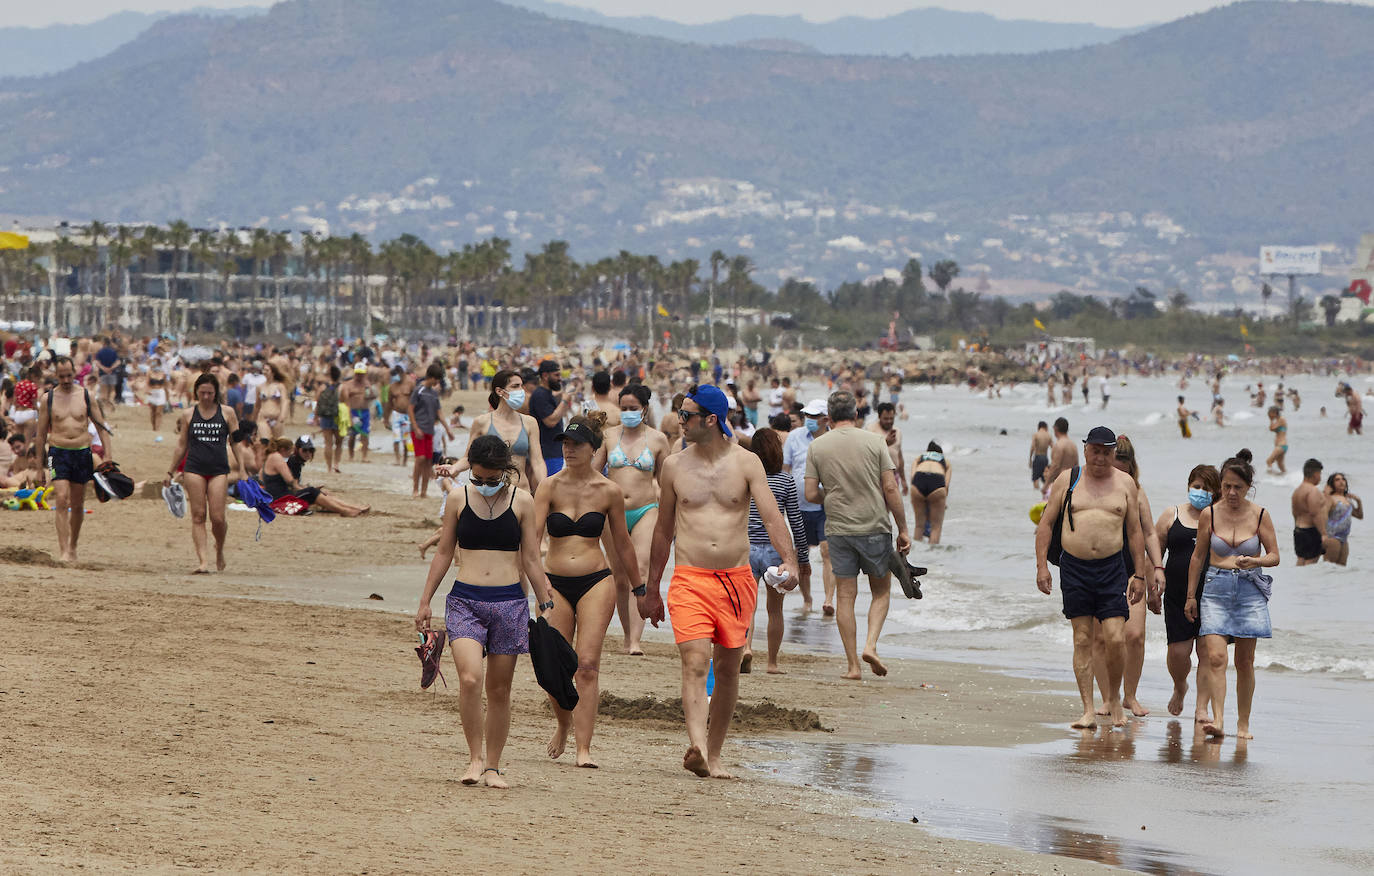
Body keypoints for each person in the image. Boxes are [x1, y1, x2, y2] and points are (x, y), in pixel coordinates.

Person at [642, 384, 800, 779]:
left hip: (735, 580)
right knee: (694, 661)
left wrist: (791, 562)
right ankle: (695, 743)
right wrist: (651, 588)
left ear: (711, 419)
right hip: (690, 577)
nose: (680, 420)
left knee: (728, 670)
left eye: (687, 415)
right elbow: (663, 532)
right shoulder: (675, 466)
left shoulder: (747, 464)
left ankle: (713, 754)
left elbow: (771, 517)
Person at [414, 434, 556, 788]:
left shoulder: (523, 502)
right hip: (465, 600)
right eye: (477, 478)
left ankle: (493, 766)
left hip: (509, 602)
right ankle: (474, 759)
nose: (484, 485)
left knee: (499, 689)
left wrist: (545, 599)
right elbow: (445, 552)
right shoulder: (457, 497)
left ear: (506, 472)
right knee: (470, 678)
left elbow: (531, 557)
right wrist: (425, 600)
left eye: (492, 479)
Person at [533, 414, 639, 768]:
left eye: (576, 444)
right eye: (565, 443)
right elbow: (531, 543)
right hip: (554, 581)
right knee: (554, 666)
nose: (569, 449)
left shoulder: (608, 491)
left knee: (588, 666)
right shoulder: (548, 486)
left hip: (596, 580)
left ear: (594, 449)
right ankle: (564, 723)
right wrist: (535, 585)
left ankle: (583, 749)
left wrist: (640, 588)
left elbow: (622, 544)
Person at [1034, 426, 1147, 729]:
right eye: (1095, 450)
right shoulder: (1068, 480)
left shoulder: (1125, 483)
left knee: (1115, 637)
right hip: (1075, 568)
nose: (1100, 457)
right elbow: (1045, 524)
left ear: (1114, 452)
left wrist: (1139, 574)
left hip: (1112, 569)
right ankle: (1087, 709)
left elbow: (1136, 532)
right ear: (1086, 450)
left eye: (1106, 451)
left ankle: (1115, 699)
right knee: (1082, 638)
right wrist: (1042, 567)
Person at [805, 390, 911, 680]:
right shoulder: (875, 441)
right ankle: (871, 645)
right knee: (880, 592)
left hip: (838, 529)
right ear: (855, 415)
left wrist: (835, 495)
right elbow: (890, 488)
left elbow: (811, 493)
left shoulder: (817, 447)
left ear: (828, 417)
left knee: (845, 597)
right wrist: (903, 528)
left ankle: (853, 666)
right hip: (875, 525)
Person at [1185, 449, 1279, 739]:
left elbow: (1274, 556)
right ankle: (1219, 720)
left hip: (1250, 589)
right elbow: (1198, 557)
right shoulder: (1209, 514)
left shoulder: (1260, 514)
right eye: (1226, 486)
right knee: (1215, 657)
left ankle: (1243, 724)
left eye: (1238, 487)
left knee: (1244, 662)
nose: (1231, 492)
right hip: (1215, 588)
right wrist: (1191, 596)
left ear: (1248, 487)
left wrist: (1256, 561)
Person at [594, 384, 669, 656]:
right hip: (612, 513)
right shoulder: (608, 436)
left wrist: (672, 515)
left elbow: (665, 482)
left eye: (633, 408)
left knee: (641, 569)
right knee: (619, 576)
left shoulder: (658, 440)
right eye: (623, 408)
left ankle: (635, 641)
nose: (627, 413)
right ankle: (626, 635)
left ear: (644, 409)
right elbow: (592, 473)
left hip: (645, 509)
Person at [1097, 435, 1165, 719]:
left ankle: (1130, 696)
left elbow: (1149, 533)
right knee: (1101, 640)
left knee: (1135, 636)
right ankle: (1106, 698)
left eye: (1126, 470)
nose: (1121, 476)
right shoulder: (1093, 488)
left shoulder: (1137, 491)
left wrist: (1157, 569)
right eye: (1116, 469)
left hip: (1132, 571)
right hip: (1099, 570)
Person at [35, 356, 116, 563]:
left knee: (78, 503)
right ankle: (63, 550)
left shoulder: (86, 396)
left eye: (69, 375)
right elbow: (41, 434)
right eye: (61, 376)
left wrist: (108, 456)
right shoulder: (48, 399)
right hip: (57, 453)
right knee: (61, 498)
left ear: (75, 373)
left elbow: (102, 428)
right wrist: (39, 467)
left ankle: (72, 547)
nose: (66, 379)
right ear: (56, 375)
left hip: (82, 452)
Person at [1155, 464, 1220, 721]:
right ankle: (1180, 685)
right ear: (1189, 486)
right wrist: (1153, 585)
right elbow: (1156, 551)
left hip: (1212, 594)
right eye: (1197, 486)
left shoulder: (1219, 518)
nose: (1200, 492)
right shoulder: (1172, 514)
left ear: (1215, 492)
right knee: (1179, 653)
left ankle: (1202, 708)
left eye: (1206, 488)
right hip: (1176, 594)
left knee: (1206, 653)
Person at [742, 427, 809, 674]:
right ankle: (771, 662)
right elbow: (795, 521)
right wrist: (802, 557)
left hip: (747, 547)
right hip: (775, 552)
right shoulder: (785, 480)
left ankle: (746, 648)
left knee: (747, 604)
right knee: (775, 610)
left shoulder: (746, 478)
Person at [166, 373, 239, 574]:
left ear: (216, 393)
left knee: (218, 517)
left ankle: (220, 549)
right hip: (194, 468)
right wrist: (170, 470)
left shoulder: (227, 413)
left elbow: (236, 442)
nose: (206, 397)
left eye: (209, 393)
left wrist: (242, 470)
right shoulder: (189, 414)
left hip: (218, 469)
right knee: (198, 515)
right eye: (202, 393)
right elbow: (182, 445)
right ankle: (203, 562)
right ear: (196, 392)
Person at [783, 398, 829, 613]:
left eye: (813, 416)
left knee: (828, 551)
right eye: (807, 416)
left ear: (825, 419)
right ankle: (807, 599)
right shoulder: (795, 436)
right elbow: (786, 469)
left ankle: (828, 599)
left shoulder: (831, 439)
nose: (808, 420)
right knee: (802, 554)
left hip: (824, 506)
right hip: (798, 506)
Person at [261, 436, 370, 516]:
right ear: (284, 449)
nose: (291, 454)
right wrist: (304, 488)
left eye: (310, 450)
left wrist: (303, 487)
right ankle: (345, 510)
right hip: (280, 498)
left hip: (279, 495)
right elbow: (290, 481)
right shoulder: (277, 457)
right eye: (291, 451)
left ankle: (349, 508)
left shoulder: (273, 457)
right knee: (312, 491)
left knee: (313, 491)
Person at [410, 363, 452, 499]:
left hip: (430, 431)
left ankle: (424, 491)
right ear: (432, 377)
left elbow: (439, 413)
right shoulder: (418, 390)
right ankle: (415, 489)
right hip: (418, 429)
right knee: (419, 459)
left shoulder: (434, 394)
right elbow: (410, 410)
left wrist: (448, 430)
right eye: (437, 379)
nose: (437, 382)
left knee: (428, 460)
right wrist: (415, 427)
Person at [530, 359, 573, 475]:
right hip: (547, 453)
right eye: (556, 375)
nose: (560, 378)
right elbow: (551, 421)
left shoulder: (546, 393)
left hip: (554, 451)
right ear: (545, 375)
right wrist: (565, 400)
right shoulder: (540, 395)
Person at [909, 441, 951, 545]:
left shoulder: (920, 458)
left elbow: (912, 477)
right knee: (936, 527)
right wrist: (943, 501)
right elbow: (946, 485)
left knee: (919, 525)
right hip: (937, 481)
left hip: (919, 480)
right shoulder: (945, 461)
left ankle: (916, 556)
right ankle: (933, 558)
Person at [1291, 458, 1325, 566]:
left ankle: (1298, 582)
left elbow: (1295, 513)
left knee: (1301, 560)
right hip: (1311, 531)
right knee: (1311, 563)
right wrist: (1324, 534)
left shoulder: (1297, 491)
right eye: (1320, 474)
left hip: (1298, 530)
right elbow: (1315, 514)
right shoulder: (1312, 490)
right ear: (1315, 474)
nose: (1320, 477)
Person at [1322, 472, 1362, 565]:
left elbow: (1359, 516)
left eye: (1343, 479)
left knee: (1341, 570)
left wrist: (1358, 501)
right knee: (1330, 567)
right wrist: (1323, 534)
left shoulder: (1348, 501)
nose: (1341, 482)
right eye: (1337, 480)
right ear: (1332, 483)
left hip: (1344, 539)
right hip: (1332, 537)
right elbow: (1323, 515)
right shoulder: (1331, 498)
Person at [868, 403, 906, 496]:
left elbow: (899, 456)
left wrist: (903, 480)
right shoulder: (870, 431)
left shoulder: (897, 432)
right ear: (879, 416)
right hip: (877, 478)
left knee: (890, 508)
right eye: (885, 419)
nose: (889, 421)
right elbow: (866, 454)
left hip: (894, 476)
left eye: (891, 418)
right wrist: (885, 443)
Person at [338, 363, 372, 463]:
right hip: (353, 411)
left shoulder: (367, 384)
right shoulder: (348, 385)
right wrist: (349, 416)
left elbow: (372, 396)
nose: (359, 376)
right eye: (357, 374)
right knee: (352, 435)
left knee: (365, 434)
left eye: (361, 374)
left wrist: (369, 391)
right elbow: (345, 401)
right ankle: (351, 455)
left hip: (365, 411)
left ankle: (364, 456)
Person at [314, 365, 343, 473]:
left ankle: (329, 467)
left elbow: (317, 402)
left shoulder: (322, 387)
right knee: (339, 443)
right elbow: (346, 403)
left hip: (325, 416)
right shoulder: (341, 387)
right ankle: (336, 463)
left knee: (328, 443)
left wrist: (316, 417)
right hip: (338, 417)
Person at [1043, 416, 1077, 495]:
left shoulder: (1058, 445)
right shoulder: (1073, 445)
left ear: (1055, 428)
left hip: (1060, 482)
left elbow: (1055, 466)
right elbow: (1076, 465)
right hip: (1072, 482)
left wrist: (1046, 485)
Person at [146, 357, 169, 433]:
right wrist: (147, 390)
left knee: (159, 412)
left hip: (160, 392)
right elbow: (147, 383)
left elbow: (166, 384)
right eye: (153, 363)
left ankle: (157, 428)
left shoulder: (163, 373)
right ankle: (153, 427)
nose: (154, 364)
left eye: (155, 363)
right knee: (153, 412)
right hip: (152, 392)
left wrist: (167, 396)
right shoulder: (149, 372)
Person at [1029, 421, 1051, 490]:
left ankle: (1036, 493)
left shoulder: (1036, 435)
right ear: (1045, 427)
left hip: (1038, 457)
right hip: (1045, 458)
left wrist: (1030, 459)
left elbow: (1032, 447)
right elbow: (1054, 447)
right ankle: (1046, 494)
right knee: (1045, 479)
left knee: (1035, 478)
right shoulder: (1048, 435)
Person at [1265, 407, 1287, 474]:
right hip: (1281, 446)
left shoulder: (1281, 419)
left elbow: (1272, 427)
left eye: (1270, 413)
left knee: (1269, 461)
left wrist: (1271, 420)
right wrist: (1271, 420)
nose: (1268, 415)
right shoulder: (1278, 420)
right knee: (1280, 465)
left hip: (1281, 445)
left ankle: (1270, 478)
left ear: (1274, 413)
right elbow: (1271, 429)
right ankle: (1287, 477)